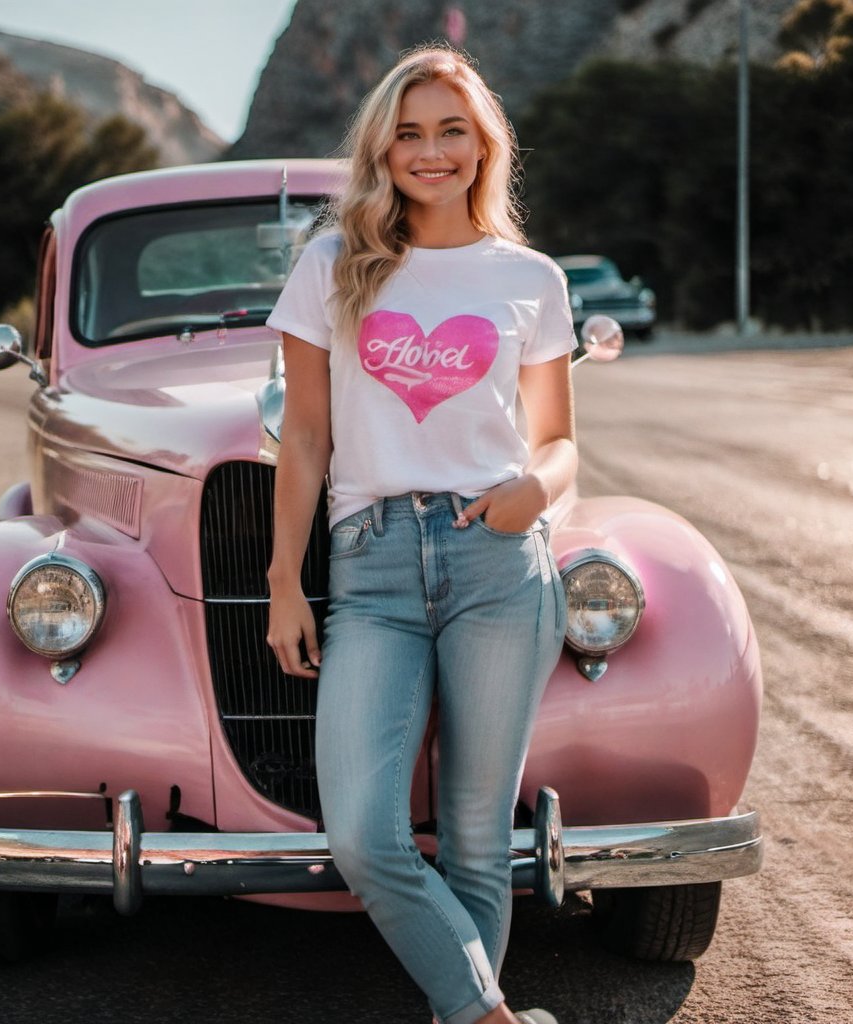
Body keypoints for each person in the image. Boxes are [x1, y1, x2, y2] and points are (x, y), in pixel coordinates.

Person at [265, 45, 577, 1024]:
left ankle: (470, 1014)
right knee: (362, 832)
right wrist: (283, 579)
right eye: (409, 131)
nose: (430, 151)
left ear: (484, 146)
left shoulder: (530, 277)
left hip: (498, 558)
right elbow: (305, 435)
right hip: (373, 565)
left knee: (481, 839)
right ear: (382, 147)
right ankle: (490, 1017)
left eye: (451, 130)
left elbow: (561, 439)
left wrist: (534, 490)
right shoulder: (333, 263)